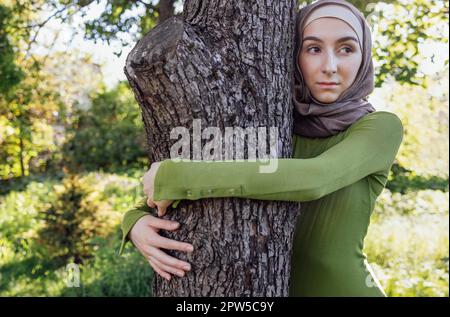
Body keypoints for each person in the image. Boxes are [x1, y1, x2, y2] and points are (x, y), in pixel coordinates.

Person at [119, 0, 403, 296]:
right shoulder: (275, 121)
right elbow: (169, 193)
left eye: (346, 49)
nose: (329, 66)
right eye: (313, 49)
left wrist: (178, 178)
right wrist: (135, 221)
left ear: (364, 56)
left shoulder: (379, 128)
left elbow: (314, 178)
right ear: (294, 55)